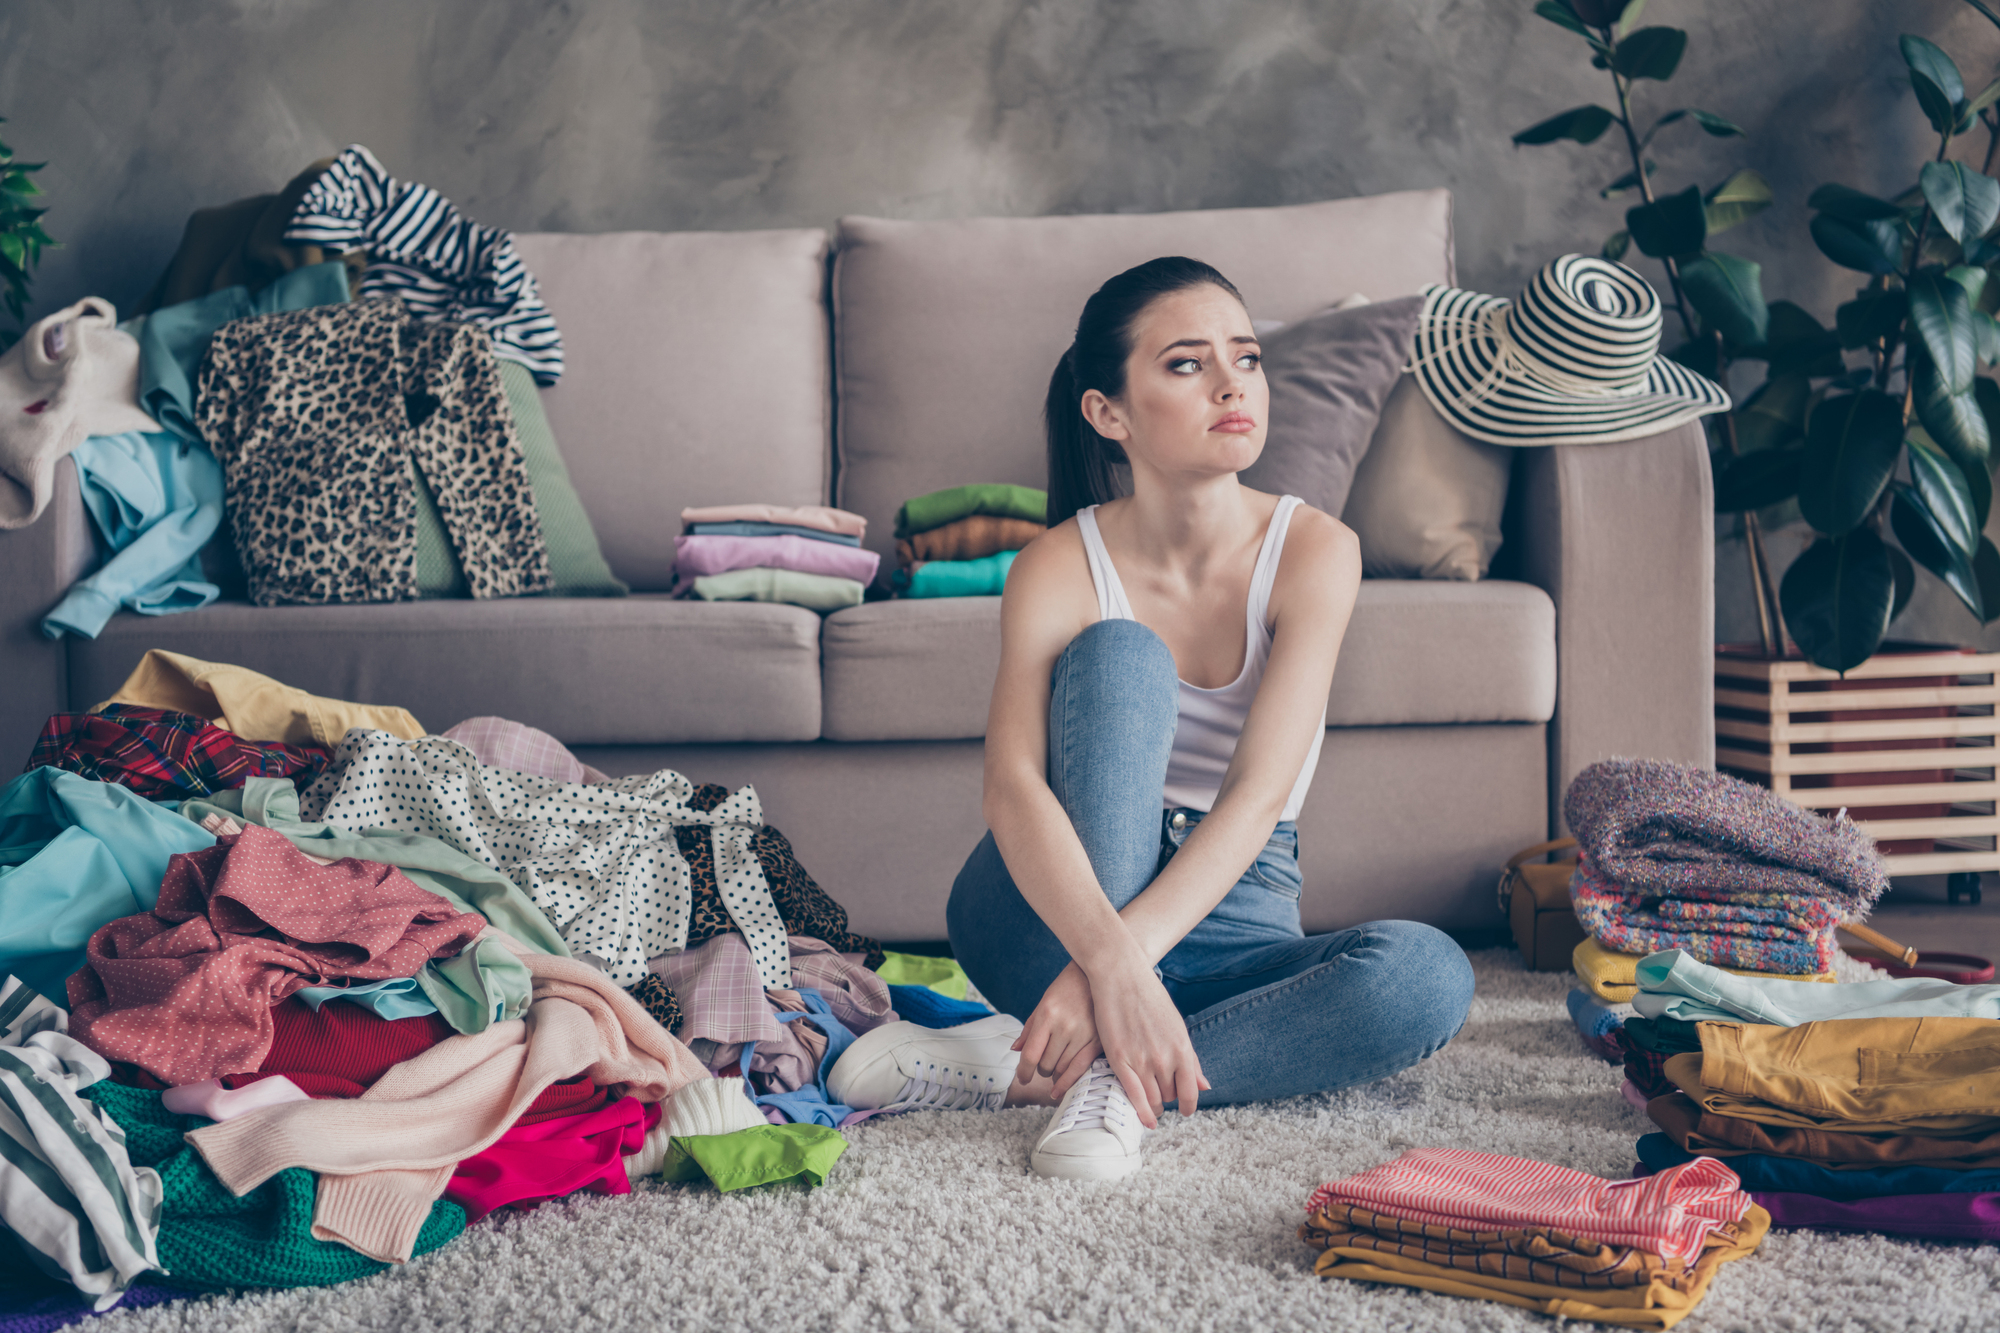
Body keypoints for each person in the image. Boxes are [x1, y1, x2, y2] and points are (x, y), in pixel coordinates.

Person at [826, 256, 1475, 1179]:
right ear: (1109, 412)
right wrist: (1109, 959)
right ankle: (1120, 1036)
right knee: (1125, 651)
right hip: (1046, 909)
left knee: (1428, 977)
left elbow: (1255, 800)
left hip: (1233, 911)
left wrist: (1125, 970)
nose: (1230, 383)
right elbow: (1011, 786)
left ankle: (1061, 1072)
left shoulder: (1317, 550)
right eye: (1185, 364)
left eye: (1245, 358)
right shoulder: (1056, 562)